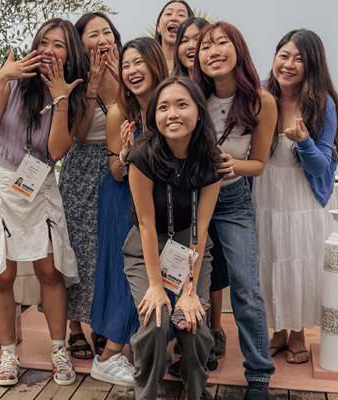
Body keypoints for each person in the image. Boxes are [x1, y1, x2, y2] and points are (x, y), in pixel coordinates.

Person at [0, 18, 87, 387]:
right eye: (44, 42)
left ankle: (59, 350)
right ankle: (8, 353)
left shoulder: (72, 93)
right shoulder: (12, 78)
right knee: (2, 272)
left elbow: (56, 151)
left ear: (69, 53)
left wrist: (60, 98)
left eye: (59, 44)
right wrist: (1, 78)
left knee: (49, 269)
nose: (50, 50)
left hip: (38, 183)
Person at [122, 75, 222, 400]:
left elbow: (200, 227)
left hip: (190, 247)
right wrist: (155, 285)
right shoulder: (141, 155)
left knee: (192, 323)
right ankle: (146, 393)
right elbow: (147, 225)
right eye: (163, 107)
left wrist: (189, 290)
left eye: (182, 104)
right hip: (146, 247)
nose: (172, 114)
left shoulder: (211, 158)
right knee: (155, 323)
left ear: (198, 111)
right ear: (154, 115)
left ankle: (196, 392)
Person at [193, 21, 278, 400]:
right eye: (205, 47)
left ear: (237, 48)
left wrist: (232, 165)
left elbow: (259, 162)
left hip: (233, 200)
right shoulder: (193, 96)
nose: (213, 51)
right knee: (191, 282)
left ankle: (259, 375)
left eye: (221, 43)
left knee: (246, 287)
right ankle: (197, 356)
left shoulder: (262, 100)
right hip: (192, 200)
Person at [255, 29, 338, 364]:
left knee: (300, 264)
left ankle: (298, 334)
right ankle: (277, 330)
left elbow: (322, 166)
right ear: (275, 56)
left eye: (299, 59)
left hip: (304, 198)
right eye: (284, 55)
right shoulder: (261, 94)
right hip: (266, 193)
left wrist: (305, 141)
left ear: (312, 66)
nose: (289, 64)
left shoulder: (324, 103)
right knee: (270, 259)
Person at [90, 37, 167, 387]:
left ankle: (133, 350)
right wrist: (125, 153)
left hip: (162, 201)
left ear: (155, 63)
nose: (133, 71)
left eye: (139, 62)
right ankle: (107, 356)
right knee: (127, 275)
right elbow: (116, 171)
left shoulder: (171, 104)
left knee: (159, 275)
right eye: (127, 65)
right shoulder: (120, 111)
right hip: (124, 199)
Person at [60, 11, 122, 363]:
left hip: (118, 165)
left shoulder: (130, 69)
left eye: (107, 32)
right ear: (80, 44)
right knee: (76, 249)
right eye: (93, 34)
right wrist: (94, 85)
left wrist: (117, 78)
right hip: (82, 166)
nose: (103, 39)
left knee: (106, 249)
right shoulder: (76, 79)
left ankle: (101, 322)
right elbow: (79, 135)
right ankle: (73, 327)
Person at [172, 17, 232, 364]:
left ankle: (214, 327)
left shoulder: (214, 83)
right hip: (180, 187)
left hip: (214, 181)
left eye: (202, 39)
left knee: (213, 257)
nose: (193, 45)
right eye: (187, 40)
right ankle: (187, 332)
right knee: (184, 255)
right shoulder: (174, 85)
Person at [153, 0, 193, 75]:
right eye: (168, 14)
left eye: (181, 15)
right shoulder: (147, 62)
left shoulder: (196, 64)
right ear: (158, 27)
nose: (174, 18)